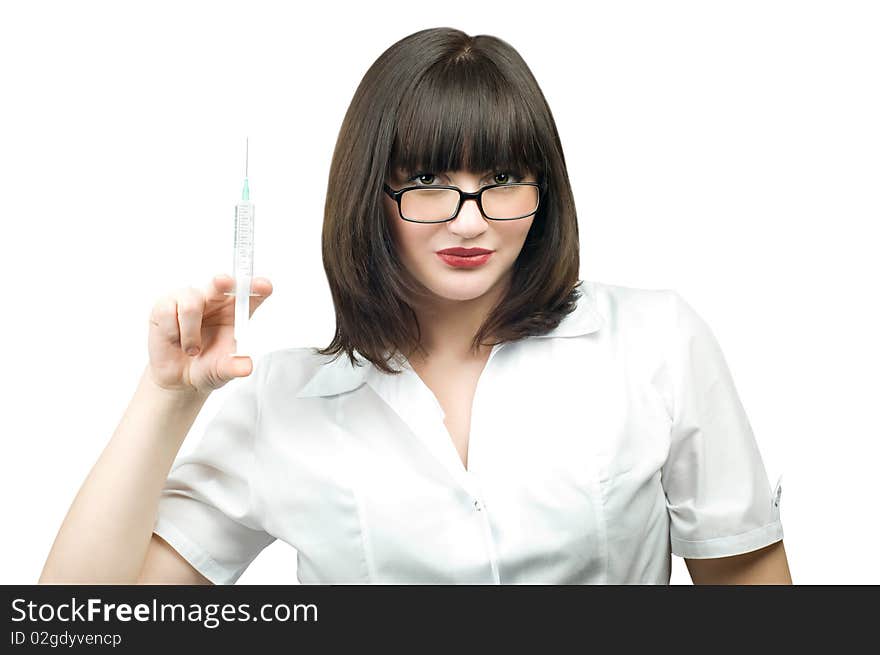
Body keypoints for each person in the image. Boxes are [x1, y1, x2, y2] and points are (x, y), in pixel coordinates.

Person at [39, 27, 791, 585]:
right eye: (427, 179)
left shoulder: (655, 341)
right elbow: (79, 624)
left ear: (545, 189)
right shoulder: (280, 402)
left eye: (502, 177)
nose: (469, 219)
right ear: (373, 194)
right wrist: (165, 397)